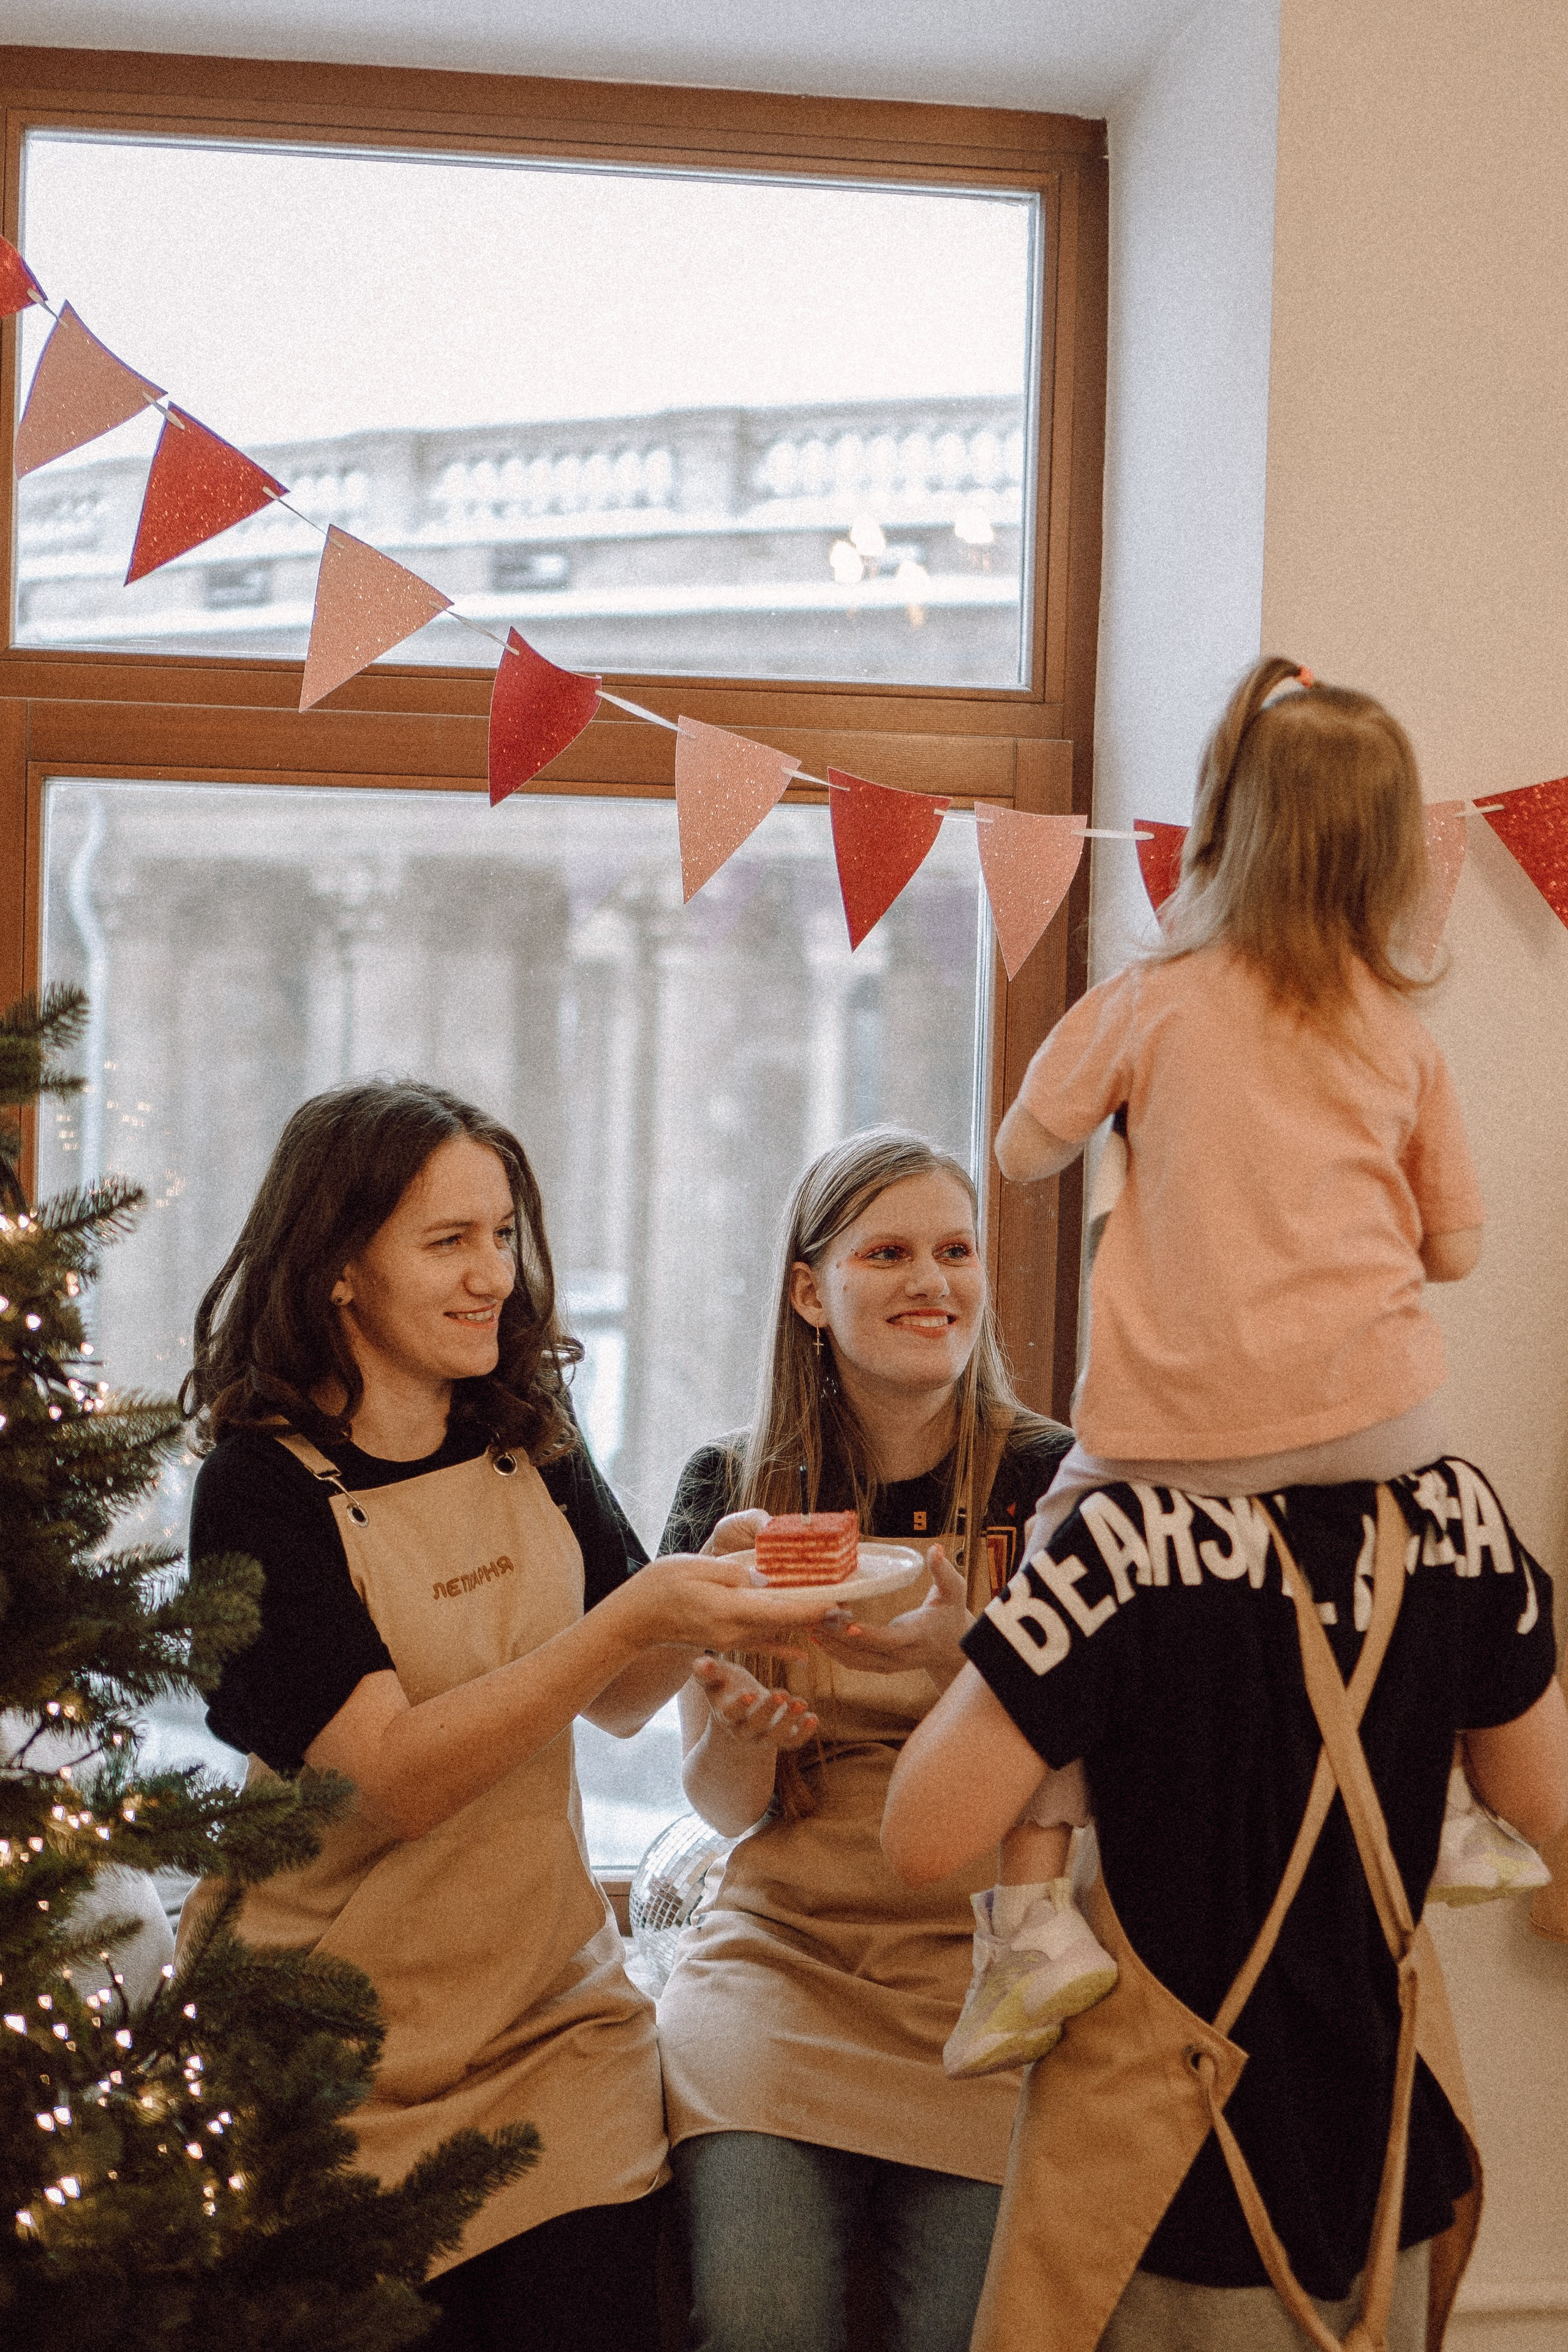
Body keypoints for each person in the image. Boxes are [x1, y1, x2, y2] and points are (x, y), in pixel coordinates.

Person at [881, 656, 1568, 2350]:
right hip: (1390, 2171)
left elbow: (919, 1834)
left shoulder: (1109, 1543)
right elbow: (1561, 1802)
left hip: (1173, 2198)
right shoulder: (1464, 1516)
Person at [175, 1080, 845, 2352]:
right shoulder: (255, 1492)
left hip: (553, 2034)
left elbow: (625, 1697)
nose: (493, 1275)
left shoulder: (523, 1427)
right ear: (337, 1272)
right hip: (331, 2058)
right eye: (447, 1243)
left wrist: (717, 1583)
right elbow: (390, 1779)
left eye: (500, 1235)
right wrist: (633, 1615)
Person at [654, 1128, 1072, 2352]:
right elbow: (729, 1812)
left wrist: (964, 1661)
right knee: (760, 2313)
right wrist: (743, 1730)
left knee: (961, 2329)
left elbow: (1109, 1783)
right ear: (807, 1290)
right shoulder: (731, 1489)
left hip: (992, 1969)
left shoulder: (1054, 1486)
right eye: (885, 1253)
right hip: (782, 1959)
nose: (929, 1283)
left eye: (954, 1251)